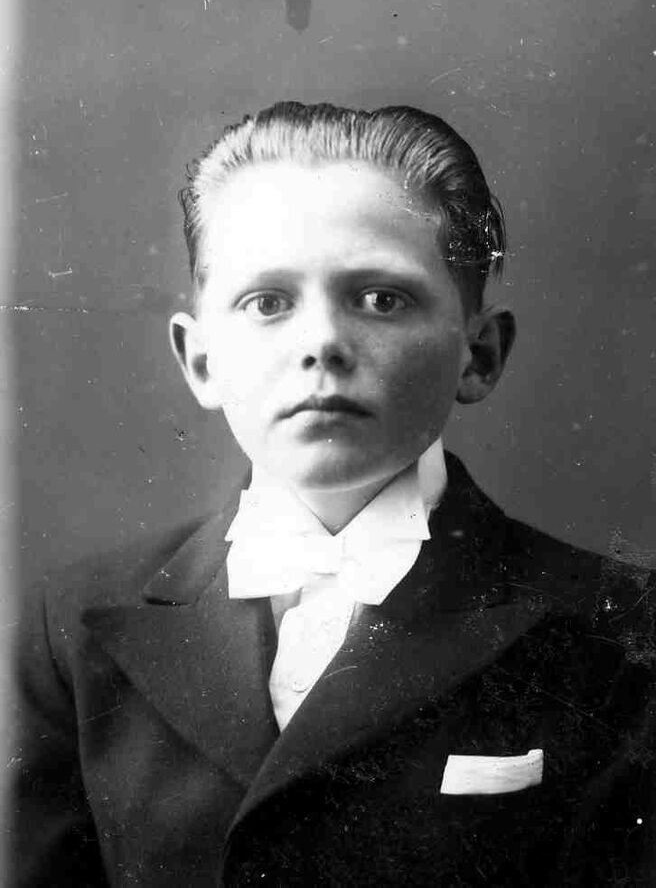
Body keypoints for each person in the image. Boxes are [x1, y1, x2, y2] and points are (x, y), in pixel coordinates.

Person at [10, 102, 655, 886]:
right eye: (268, 302)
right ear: (201, 360)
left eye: (381, 298)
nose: (321, 342)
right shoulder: (73, 628)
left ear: (479, 353)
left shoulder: (621, 630)